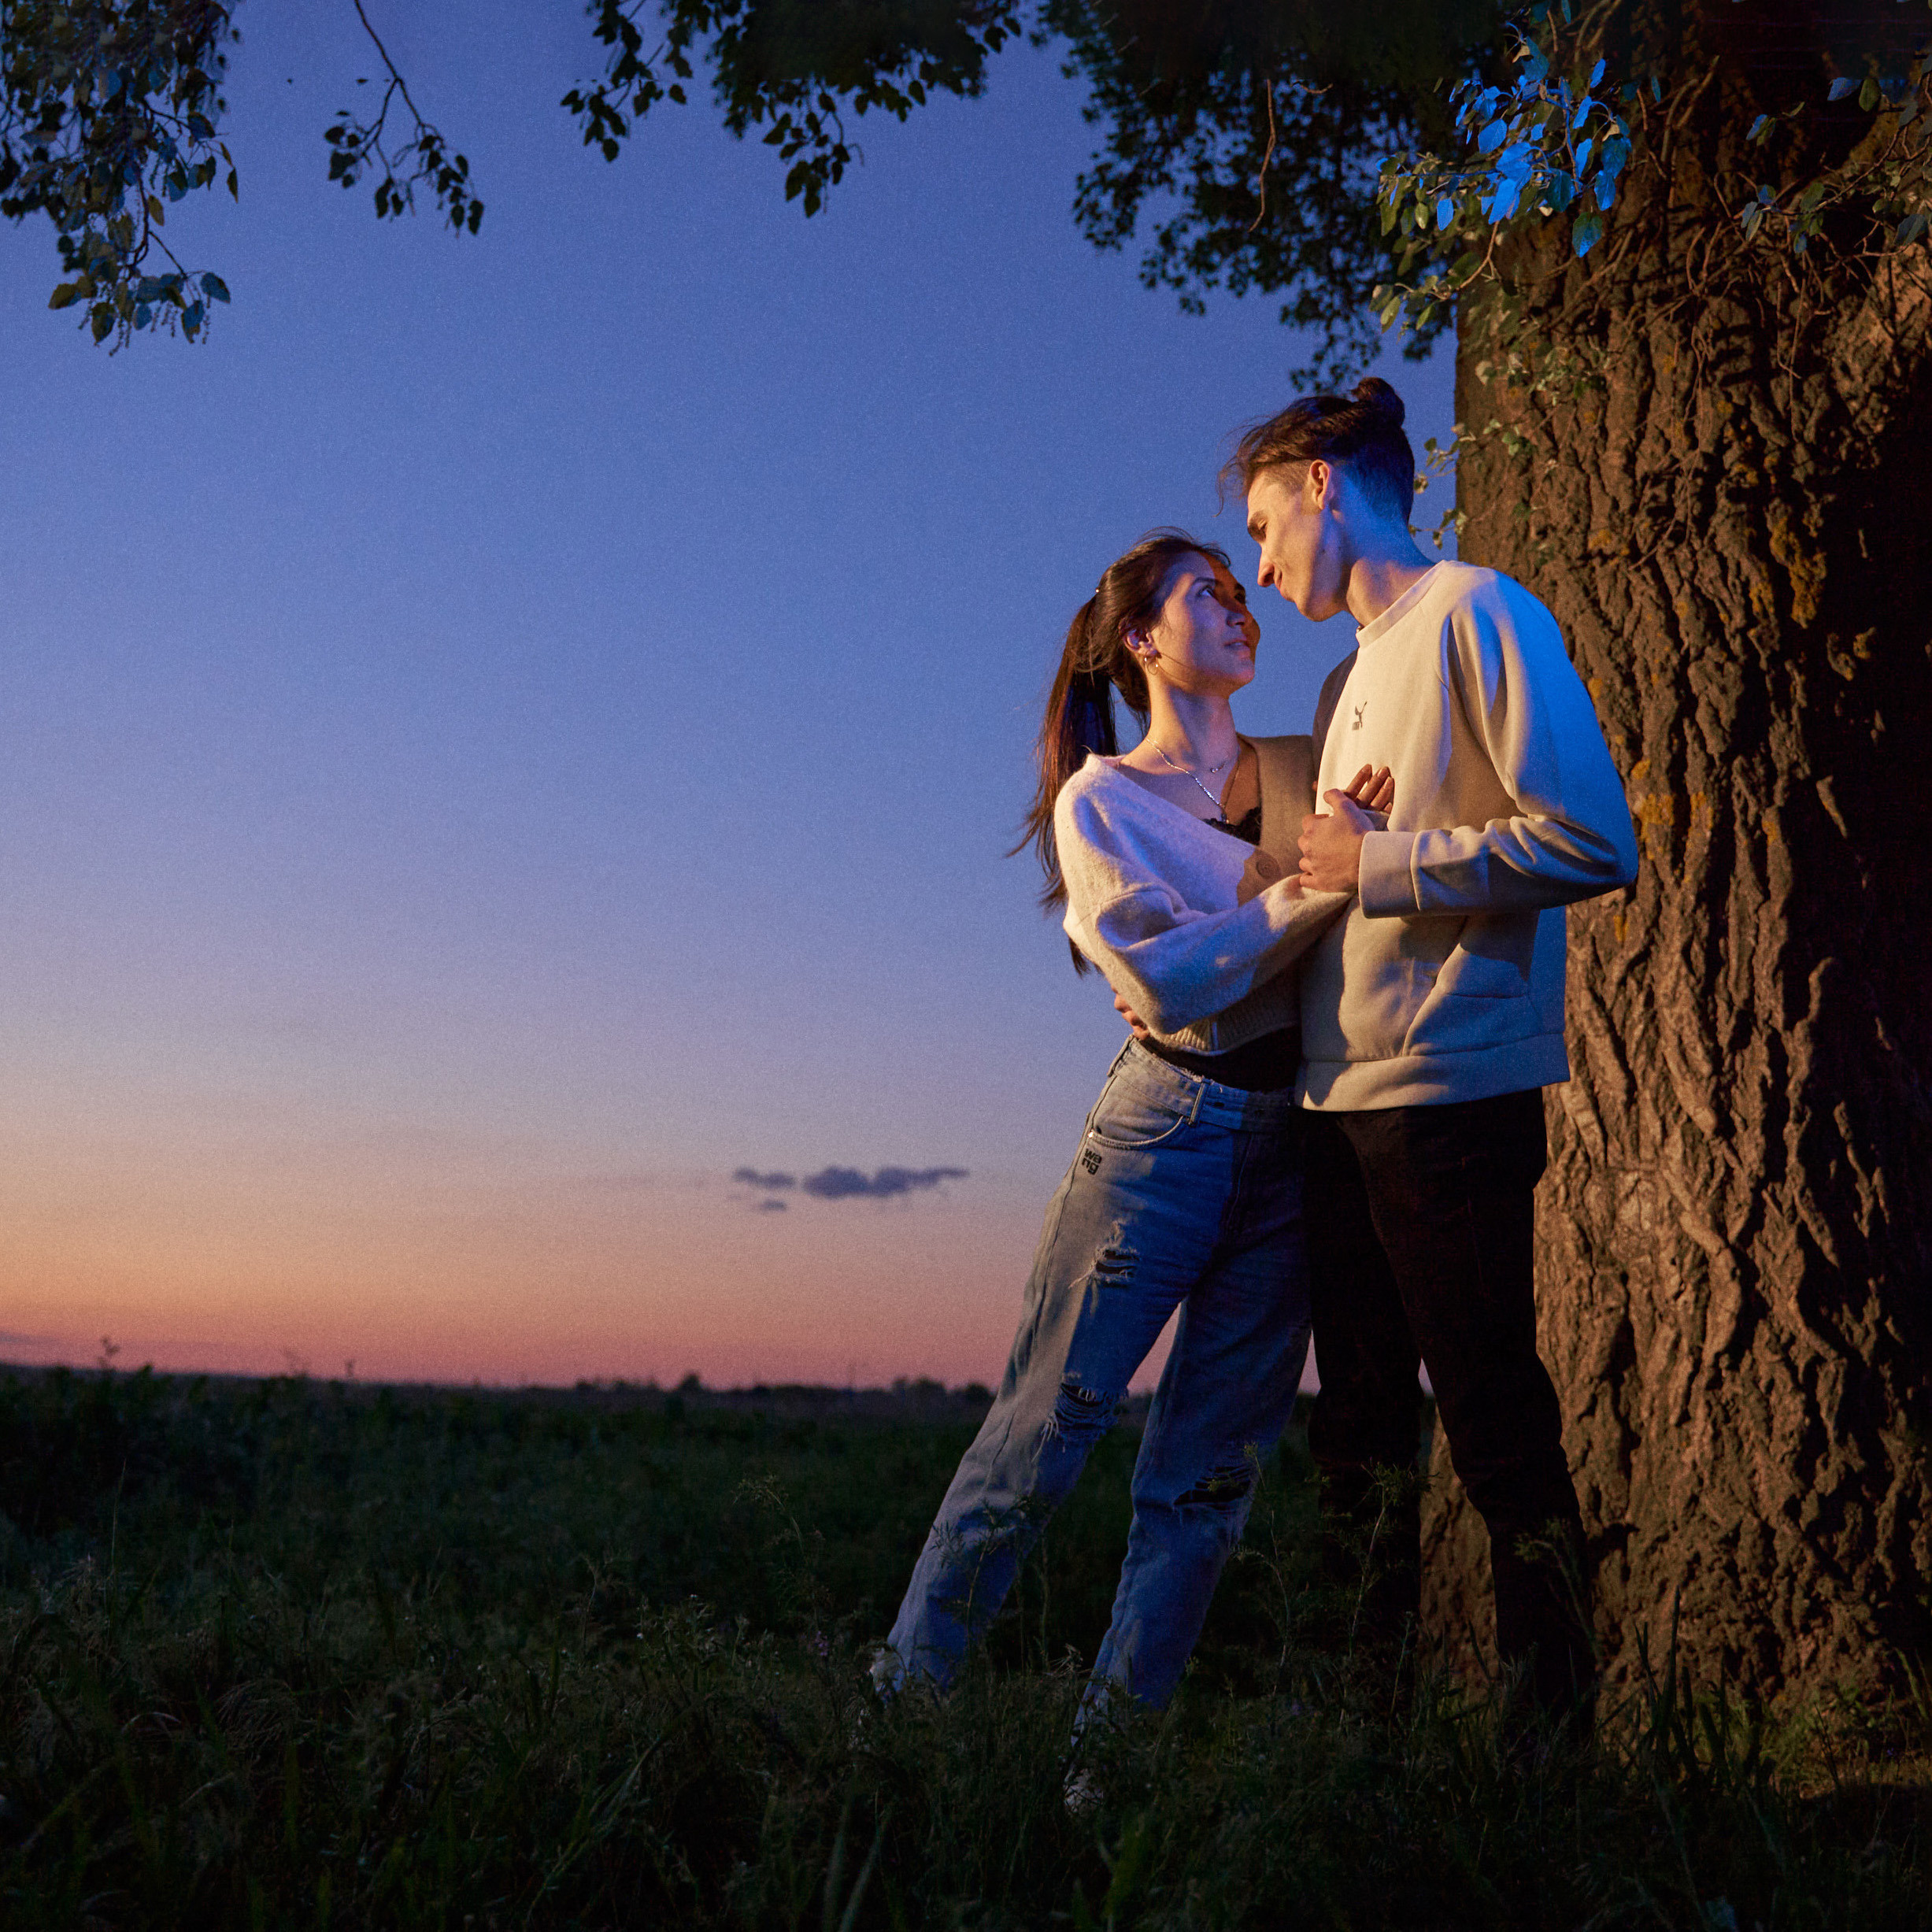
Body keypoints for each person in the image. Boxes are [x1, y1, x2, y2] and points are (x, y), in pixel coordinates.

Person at [872, 530, 1390, 1727]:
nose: (1238, 603)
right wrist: (1317, 890)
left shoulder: (1311, 759)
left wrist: (1267, 921)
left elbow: (1289, 933)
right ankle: (891, 1722)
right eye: (1204, 590)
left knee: (1205, 1485)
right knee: (1039, 1441)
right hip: (1162, 1133)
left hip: (1295, 1142)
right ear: (1140, 641)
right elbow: (1167, 983)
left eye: (1239, 587)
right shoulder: (1099, 798)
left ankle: (1106, 1777)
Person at [1231, 376, 1640, 1714]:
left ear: (1320, 483)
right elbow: (1339, 881)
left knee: (1490, 1419)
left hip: (1447, 1098)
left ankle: (1551, 1741)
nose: (1259, 560)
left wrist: (1382, 859)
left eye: (1260, 523)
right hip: (1336, 1100)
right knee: (1353, 1433)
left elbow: (1590, 840)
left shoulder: (1478, 609)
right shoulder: (1350, 674)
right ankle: (1365, 1737)